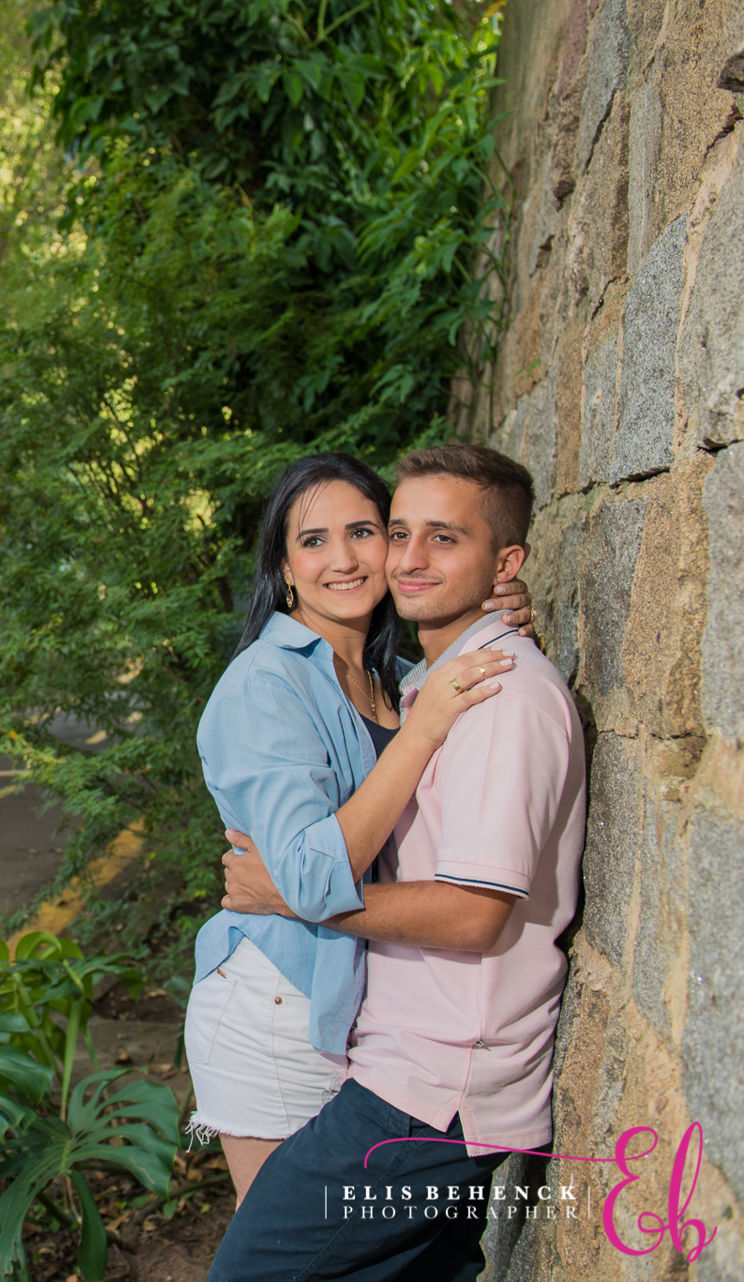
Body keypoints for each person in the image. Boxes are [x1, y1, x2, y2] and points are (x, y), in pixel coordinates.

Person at [207, 443, 587, 1280]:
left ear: (502, 561)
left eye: (372, 532)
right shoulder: (340, 686)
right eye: (314, 541)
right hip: (293, 1010)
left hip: (428, 1071)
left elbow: (472, 911)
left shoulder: (432, 684)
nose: (376, 557)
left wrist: (291, 895)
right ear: (283, 565)